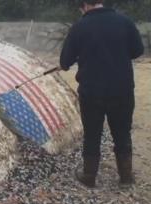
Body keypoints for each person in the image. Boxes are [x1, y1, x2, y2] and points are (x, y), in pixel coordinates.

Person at [60, 0, 144, 188]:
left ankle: (89, 176)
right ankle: (126, 178)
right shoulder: (125, 22)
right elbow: (138, 51)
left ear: (84, 5)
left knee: (92, 134)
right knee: (122, 133)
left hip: (91, 92)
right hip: (122, 90)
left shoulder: (79, 27)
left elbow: (65, 61)